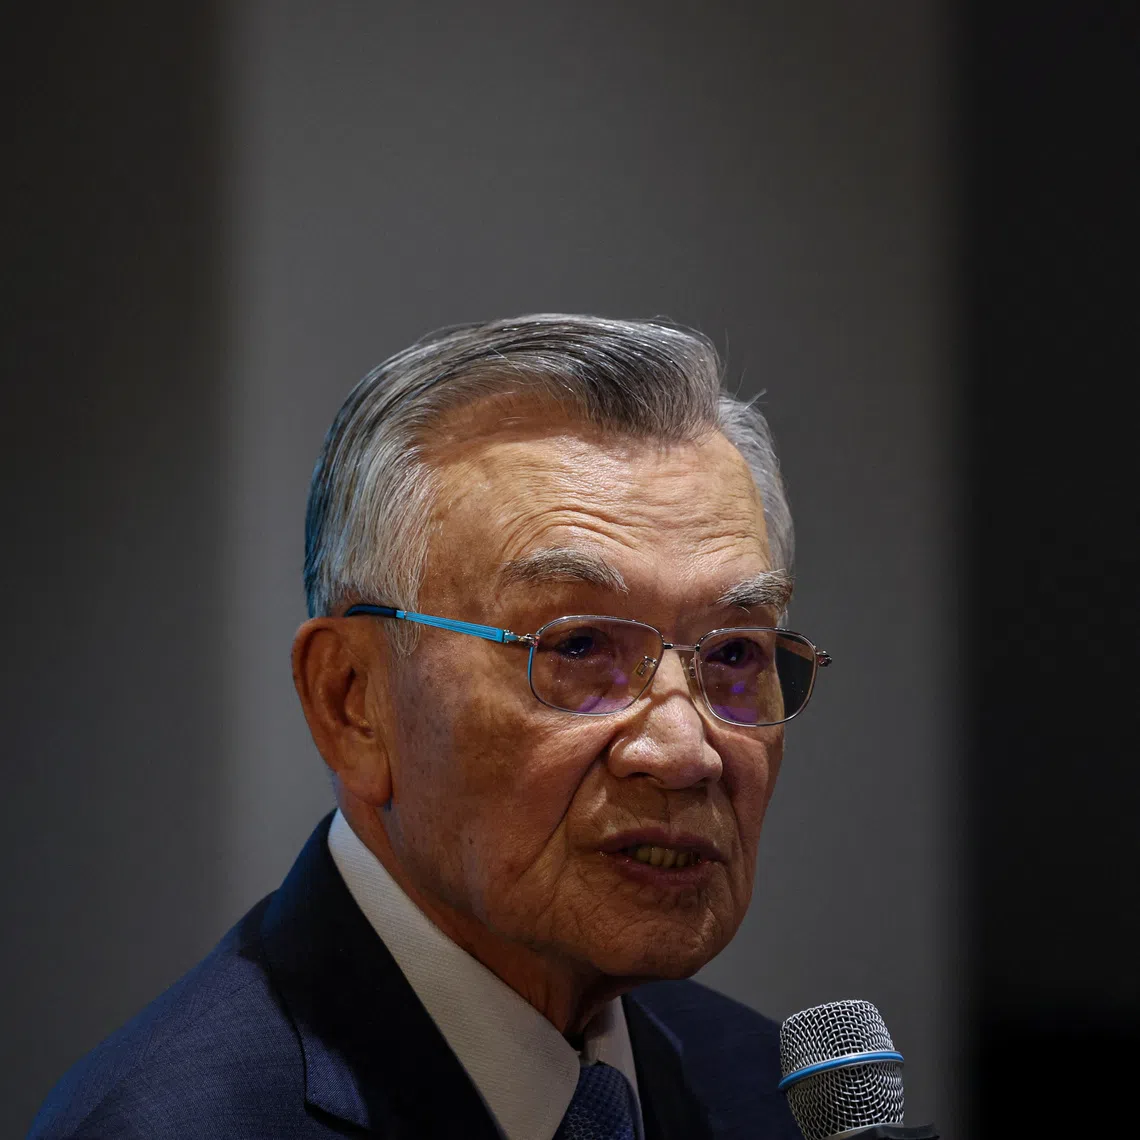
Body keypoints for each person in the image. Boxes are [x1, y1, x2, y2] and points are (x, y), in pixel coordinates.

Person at [31, 315, 831, 1139]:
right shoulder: (172, 1123)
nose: (684, 751)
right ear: (352, 703)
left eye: (735, 651)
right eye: (579, 646)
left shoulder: (764, 1093)